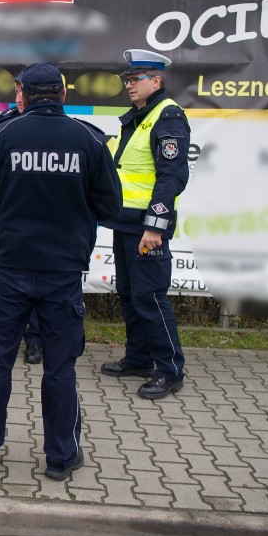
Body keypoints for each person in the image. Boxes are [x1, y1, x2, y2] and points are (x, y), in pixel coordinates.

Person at [0, 63, 122, 480]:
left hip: (10, 266)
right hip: (63, 271)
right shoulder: (89, 140)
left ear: (23, 96)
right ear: (62, 95)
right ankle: (61, 458)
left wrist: (12, 195)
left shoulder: (2, 135)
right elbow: (111, 207)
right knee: (60, 366)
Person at [99, 49, 190, 400]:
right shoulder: (140, 116)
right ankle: (138, 358)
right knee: (130, 295)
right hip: (126, 221)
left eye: (136, 79)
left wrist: (156, 226)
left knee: (150, 297)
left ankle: (170, 370)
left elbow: (171, 176)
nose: (129, 85)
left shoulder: (168, 117)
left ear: (157, 79)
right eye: (127, 80)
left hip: (146, 227)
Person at [0, 88, 43, 365]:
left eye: (24, 93)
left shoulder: (50, 126)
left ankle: (35, 341)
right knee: (2, 285)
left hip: (42, 224)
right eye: (16, 92)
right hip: (8, 223)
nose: (19, 98)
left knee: (39, 285)